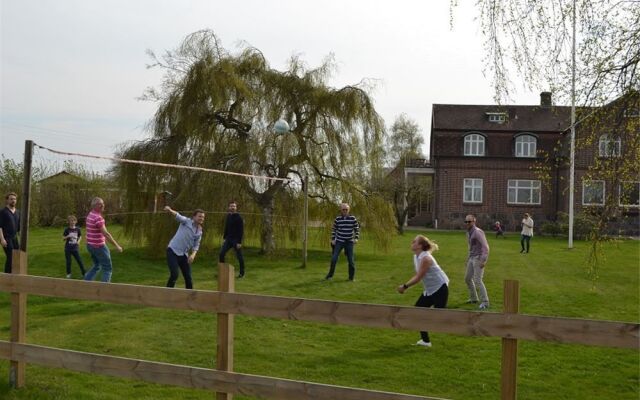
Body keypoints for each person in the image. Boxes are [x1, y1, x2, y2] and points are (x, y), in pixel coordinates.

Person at [397, 235, 449, 348]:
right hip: (430, 290)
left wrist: (404, 286)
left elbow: (418, 277)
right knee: (418, 312)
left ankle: (468, 321)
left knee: (441, 317)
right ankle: (426, 341)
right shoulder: (416, 256)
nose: (412, 242)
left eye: (414, 241)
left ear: (420, 246)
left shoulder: (426, 258)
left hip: (440, 288)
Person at [83, 197, 123, 283]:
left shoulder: (90, 214)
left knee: (97, 265)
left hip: (90, 245)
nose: (103, 205)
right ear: (95, 206)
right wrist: (117, 246)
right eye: (101, 204)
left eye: (103, 203)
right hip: (99, 247)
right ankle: (104, 291)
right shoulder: (98, 218)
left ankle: (85, 283)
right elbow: (106, 234)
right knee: (107, 269)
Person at [164, 206, 204, 289]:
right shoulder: (186, 221)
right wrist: (170, 210)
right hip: (172, 251)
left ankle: (190, 298)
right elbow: (177, 215)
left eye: (203, 217)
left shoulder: (199, 231)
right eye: (200, 216)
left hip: (183, 255)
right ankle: (167, 293)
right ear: (194, 217)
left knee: (188, 278)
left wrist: (193, 255)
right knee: (174, 274)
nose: (201, 218)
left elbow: (196, 245)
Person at [325, 203, 360, 281]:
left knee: (351, 261)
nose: (345, 211)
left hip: (349, 242)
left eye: (346, 209)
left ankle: (351, 278)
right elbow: (334, 229)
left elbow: (357, 229)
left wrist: (356, 238)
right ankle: (330, 276)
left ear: (349, 210)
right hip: (339, 241)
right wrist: (333, 239)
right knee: (334, 259)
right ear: (340, 210)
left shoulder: (353, 218)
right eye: (343, 209)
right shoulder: (338, 219)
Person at [464, 214, 490, 309]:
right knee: (467, 278)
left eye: (469, 221)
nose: (467, 223)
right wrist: (468, 259)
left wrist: (483, 260)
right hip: (472, 258)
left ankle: (485, 302)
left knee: (478, 280)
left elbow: (485, 247)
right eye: (466, 221)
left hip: (478, 258)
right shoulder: (468, 232)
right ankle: (474, 298)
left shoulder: (478, 232)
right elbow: (470, 247)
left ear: (474, 221)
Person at [219, 201, 245, 278]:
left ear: (236, 208)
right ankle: (222, 272)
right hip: (228, 239)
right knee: (221, 254)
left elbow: (241, 231)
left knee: (239, 256)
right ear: (229, 207)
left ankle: (242, 273)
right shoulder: (228, 216)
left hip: (236, 241)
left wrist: (239, 242)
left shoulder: (239, 218)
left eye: (234, 206)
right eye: (231, 206)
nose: (232, 207)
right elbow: (226, 227)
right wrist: (224, 238)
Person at [0, 192, 20, 274]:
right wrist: (2, 239)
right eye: (11, 199)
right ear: (7, 200)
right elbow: (0, 226)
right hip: (6, 238)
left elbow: (19, 227)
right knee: (10, 256)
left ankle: (14, 276)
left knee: (16, 256)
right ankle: (7, 276)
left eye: (14, 199)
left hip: (14, 238)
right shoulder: (3, 212)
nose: (13, 201)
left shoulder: (18, 212)